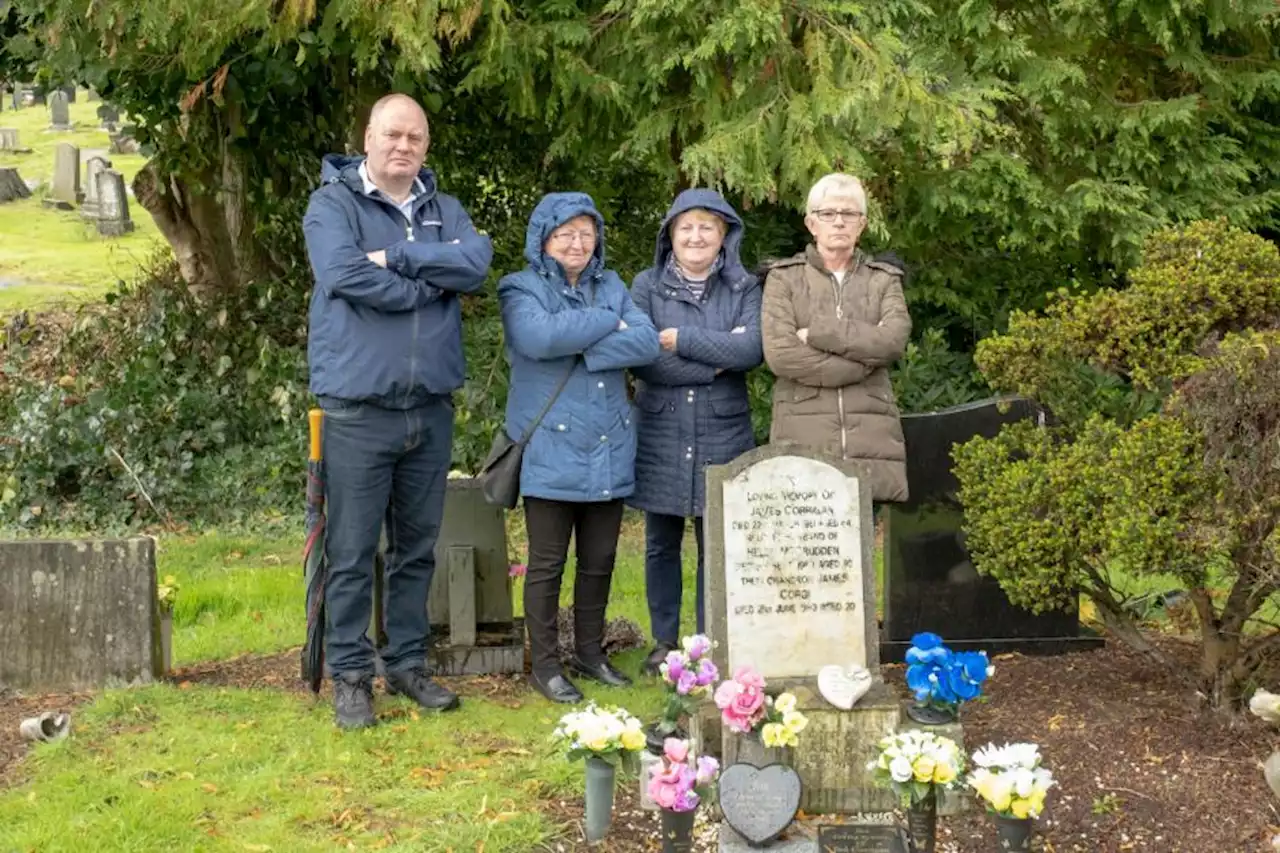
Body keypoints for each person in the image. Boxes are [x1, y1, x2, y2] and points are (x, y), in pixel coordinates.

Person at [302, 93, 493, 729]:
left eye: (414, 137)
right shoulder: (333, 204)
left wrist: (404, 257)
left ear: (426, 146)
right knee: (352, 551)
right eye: (392, 135)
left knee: (417, 549)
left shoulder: (445, 210)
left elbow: (475, 264)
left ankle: (407, 664)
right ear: (367, 137)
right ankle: (351, 675)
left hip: (429, 408)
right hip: (358, 408)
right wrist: (426, 290)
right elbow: (342, 275)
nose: (402, 146)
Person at [498, 192, 660, 703]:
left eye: (586, 234)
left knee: (600, 559)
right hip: (549, 447)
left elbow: (647, 343)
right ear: (543, 239)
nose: (576, 243)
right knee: (547, 564)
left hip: (609, 444)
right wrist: (607, 323)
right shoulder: (518, 288)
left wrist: (588, 339)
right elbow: (539, 338)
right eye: (565, 233)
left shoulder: (610, 284)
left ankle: (591, 654)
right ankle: (545, 666)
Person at [628, 189, 763, 676]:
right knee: (660, 542)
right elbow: (643, 356)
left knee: (717, 543)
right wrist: (714, 360)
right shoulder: (645, 286)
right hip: (661, 429)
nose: (696, 236)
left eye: (707, 226)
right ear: (670, 234)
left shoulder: (744, 287)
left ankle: (708, 644)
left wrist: (681, 340)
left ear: (724, 234)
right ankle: (664, 642)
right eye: (686, 227)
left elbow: (750, 352)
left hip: (722, 431)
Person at [760, 173, 911, 501]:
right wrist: (860, 365)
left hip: (871, 437)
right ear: (812, 224)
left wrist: (818, 333)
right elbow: (781, 354)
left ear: (862, 224)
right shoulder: (783, 279)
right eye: (828, 214)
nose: (839, 222)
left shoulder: (883, 280)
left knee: (864, 544)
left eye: (849, 214)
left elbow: (892, 342)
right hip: (802, 431)